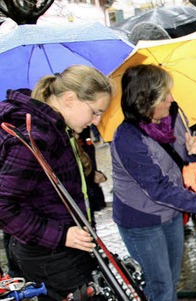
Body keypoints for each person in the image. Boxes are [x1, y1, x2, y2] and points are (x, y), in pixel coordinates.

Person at [110, 64, 196, 301]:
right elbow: (159, 188)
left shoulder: (171, 118)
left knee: (170, 280)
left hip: (171, 214)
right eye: (164, 95)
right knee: (159, 286)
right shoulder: (127, 138)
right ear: (146, 100)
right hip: (141, 221)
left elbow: (180, 160)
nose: (171, 98)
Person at [0, 65, 113, 300]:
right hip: (50, 253)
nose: (97, 121)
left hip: (61, 247)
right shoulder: (36, 136)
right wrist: (60, 235)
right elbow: (3, 206)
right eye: (95, 112)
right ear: (70, 99)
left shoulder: (54, 127)